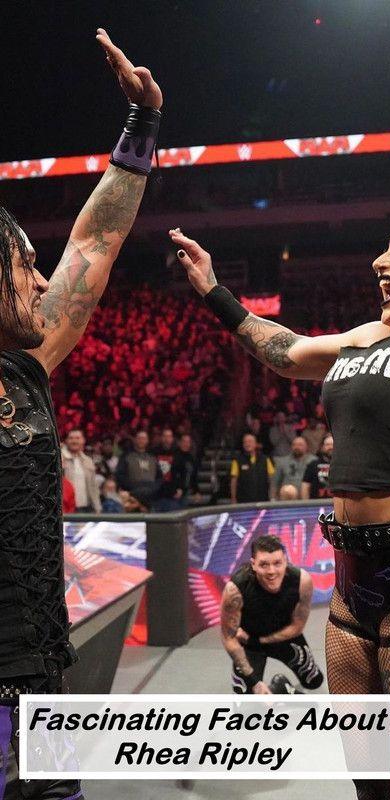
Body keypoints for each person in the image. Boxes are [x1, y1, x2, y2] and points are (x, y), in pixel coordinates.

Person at [169, 77, 390, 797]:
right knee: (367, 775)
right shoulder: (362, 338)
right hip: (351, 579)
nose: (380, 261)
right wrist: (216, 291)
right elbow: (281, 350)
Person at [0, 28, 162, 799]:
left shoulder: (24, 375)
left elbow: (94, 244)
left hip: (42, 687)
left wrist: (142, 126)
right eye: (24, 264)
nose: (41, 282)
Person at [220, 535, 323, 694]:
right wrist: (255, 682)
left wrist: (259, 640)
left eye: (277, 563)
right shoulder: (236, 588)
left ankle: (281, 686)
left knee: (314, 681)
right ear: (253, 564)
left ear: (285, 561)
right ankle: (279, 689)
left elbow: (297, 627)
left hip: (284, 637)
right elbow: (229, 638)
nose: (271, 571)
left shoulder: (302, 581)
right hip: (250, 644)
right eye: (264, 565)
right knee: (245, 694)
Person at [115, 429, 162, 508]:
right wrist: (131, 487)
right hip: (133, 494)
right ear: (135, 440)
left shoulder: (153, 457)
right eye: (139, 438)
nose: (141, 441)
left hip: (152, 494)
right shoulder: (126, 456)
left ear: (147, 441)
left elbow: (159, 477)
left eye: (144, 438)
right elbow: (120, 475)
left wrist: (154, 488)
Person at [61, 428, 101, 512]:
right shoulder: (60, 458)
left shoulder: (88, 461)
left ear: (83, 440)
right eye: (71, 438)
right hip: (66, 508)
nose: (74, 441)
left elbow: (93, 487)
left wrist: (97, 508)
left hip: (86, 508)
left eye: (77, 438)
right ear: (66, 441)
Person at [230, 432, 275, 503]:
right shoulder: (237, 460)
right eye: (245, 442)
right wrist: (233, 498)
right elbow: (234, 481)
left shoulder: (265, 459)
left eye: (250, 441)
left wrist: (272, 497)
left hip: (263, 500)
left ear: (255, 444)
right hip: (243, 501)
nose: (247, 444)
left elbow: (271, 479)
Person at [273, 436, 314, 500]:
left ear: (307, 447)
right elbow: (275, 483)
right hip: (286, 499)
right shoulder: (282, 462)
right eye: (294, 445)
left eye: (300, 445)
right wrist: (273, 499)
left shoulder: (313, 461)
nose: (296, 447)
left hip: (308, 499)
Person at [301, 433, 334, 500]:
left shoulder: (343, 465)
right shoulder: (313, 464)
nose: (330, 447)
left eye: (332, 444)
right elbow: (305, 486)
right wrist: (306, 504)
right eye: (327, 445)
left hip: (337, 502)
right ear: (322, 447)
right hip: (316, 503)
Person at [173, 433, 201, 507]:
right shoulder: (174, 456)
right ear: (179, 443)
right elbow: (173, 474)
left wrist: (196, 491)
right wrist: (176, 488)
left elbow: (194, 476)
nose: (186, 444)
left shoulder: (192, 459)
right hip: (175, 491)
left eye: (188, 442)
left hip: (186, 491)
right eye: (184, 441)